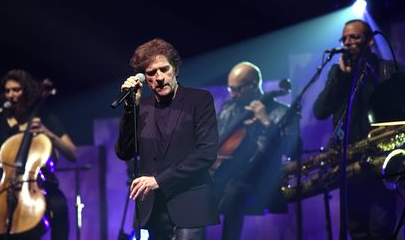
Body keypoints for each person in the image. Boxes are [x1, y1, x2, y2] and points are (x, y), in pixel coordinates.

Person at [115, 38, 220, 240]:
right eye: (151, 73)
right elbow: (125, 152)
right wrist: (131, 109)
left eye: (164, 69)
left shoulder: (199, 100)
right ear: (144, 78)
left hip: (190, 204)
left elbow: (206, 153)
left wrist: (158, 181)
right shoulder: (142, 108)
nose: (159, 77)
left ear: (176, 69)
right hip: (154, 210)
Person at [313, 19, 401, 239]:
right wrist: (342, 76)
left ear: (370, 41)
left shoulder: (387, 69)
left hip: (381, 162)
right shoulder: (338, 73)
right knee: (357, 230)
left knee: (381, 230)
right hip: (351, 164)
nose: (348, 42)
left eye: (355, 37)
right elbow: (320, 110)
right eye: (344, 38)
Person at [0, 69, 77, 240]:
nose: (10, 95)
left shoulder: (45, 119)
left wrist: (47, 133)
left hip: (41, 188)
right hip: (6, 188)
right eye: (7, 91)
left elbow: (73, 153)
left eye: (16, 90)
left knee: (58, 206)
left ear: (26, 91)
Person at [213, 62, 299, 240]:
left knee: (233, 197)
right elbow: (217, 143)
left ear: (253, 84)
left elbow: (294, 149)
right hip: (225, 175)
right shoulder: (228, 110)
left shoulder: (282, 112)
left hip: (260, 180)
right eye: (230, 88)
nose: (232, 94)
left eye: (236, 89)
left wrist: (266, 122)